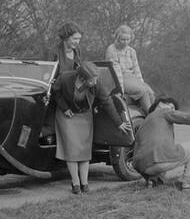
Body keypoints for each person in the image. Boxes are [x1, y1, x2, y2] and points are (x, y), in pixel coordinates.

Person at [51, 62, 131, 194]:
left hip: (84, 116)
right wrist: (64, 108)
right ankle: (76, 184)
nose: (94, 82)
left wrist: (119, 122)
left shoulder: (96, 84)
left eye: (95, 79)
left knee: (84, 151)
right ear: (82, 78)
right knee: (71, 150)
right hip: (67, 116)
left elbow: (107, 102)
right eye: (91, 80)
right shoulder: (65, 78)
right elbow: (55, 92)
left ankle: (85, 183)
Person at [41, 22, 85, 143]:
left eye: (79, 39)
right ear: (65, 37)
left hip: (72, 94)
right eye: (75, 38)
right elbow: (46, 77)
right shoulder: (53, 52)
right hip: (56, 95)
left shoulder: (77, 50)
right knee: (49, 128)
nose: (77, 42)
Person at [105, 24, 155, 115]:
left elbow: (137, 70)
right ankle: (149, 115)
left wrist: (142, 83)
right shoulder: (112, 50)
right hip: (119, 78)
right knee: (142, 91)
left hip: (132, 77)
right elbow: (117, 72)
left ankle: (154, 114)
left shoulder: (132, 51)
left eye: (128, 39)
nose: (125, 42)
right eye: (123, 39)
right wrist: (120, 90)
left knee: (150, 91)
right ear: (117, 38)